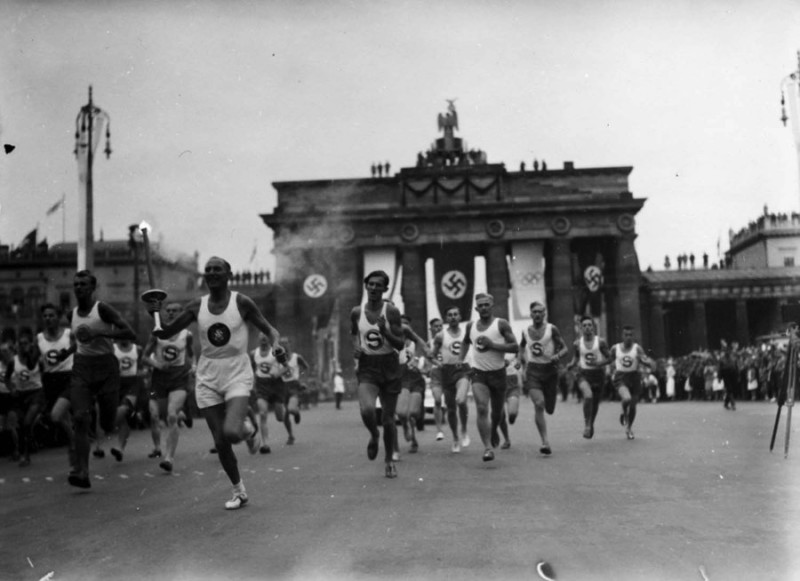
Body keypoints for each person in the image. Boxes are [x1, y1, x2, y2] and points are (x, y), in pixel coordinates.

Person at [146, 256, 280, 509]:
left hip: (237, 372)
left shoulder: (242, 302)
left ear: (228, 273)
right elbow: (165, 332)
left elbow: (270, 329)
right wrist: (153, 312)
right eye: (207, 270)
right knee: (220, 441)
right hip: (207, 376)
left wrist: (277, 345)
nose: (211, 273)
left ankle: (248, 430)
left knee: (231, 432)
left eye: (217, 269)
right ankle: (239, 491)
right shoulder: (197, 305)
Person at [59, 270, 137, 488]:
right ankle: (83, 473)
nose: (78, 288)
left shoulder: (102, 309)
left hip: (106, 368)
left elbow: (130, 333)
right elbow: (82, 341)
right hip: (82, 367)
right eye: (75, 284)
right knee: (81, 418)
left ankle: (126, 410)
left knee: (107, 423)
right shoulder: (71, 314)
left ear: (93, 288)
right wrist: (67, 353)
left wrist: (101, 334)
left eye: (83, 284)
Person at [350, 270, 406, 478]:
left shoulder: (391, 311)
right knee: (367, 411)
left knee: (389, 419)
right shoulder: (356, 312)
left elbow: (400, 344)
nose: (373, 288)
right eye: (370, 284)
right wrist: (357, 349)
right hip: (368, 366)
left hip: (390, 365)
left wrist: (385, 332)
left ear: (385, 289)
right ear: (366, 286)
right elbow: (354, 335)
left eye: (378, 285)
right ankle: (374, 434)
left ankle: (389, 459)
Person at [458, 293, 518, 462]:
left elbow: (514, 347)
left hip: (498, 374)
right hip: (479, 374)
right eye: (480, 305)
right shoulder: (471, 326)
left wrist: (493, 345)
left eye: (486, 305)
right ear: (476, 308)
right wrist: (459, 360)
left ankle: (493, 432)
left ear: (492, 306)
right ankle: (487, 448)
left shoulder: (501, 324)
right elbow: (464, 342)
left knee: (497, 413)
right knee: (482, 408)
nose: (483, 308)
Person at [142, 302, 194, 471]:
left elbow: (191, 356)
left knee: (171, 415)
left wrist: (192, 370)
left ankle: (168, 458)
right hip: (159, 379)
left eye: (175, 311)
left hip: (179, 378)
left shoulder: (187, 335)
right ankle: (182, 416)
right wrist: (157, 365)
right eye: (168, 311)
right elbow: (144, 357)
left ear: (181, 314)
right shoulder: (157, 333)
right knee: (157, 415)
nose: (171, 314)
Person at [518, 302, 568, 454]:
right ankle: (545, 442)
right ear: (531, 314)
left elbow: (565, 348)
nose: (537, 314)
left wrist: (557, 355)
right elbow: (521, 347)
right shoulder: (525, 331)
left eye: (540, 312)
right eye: (535, 312)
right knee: (539, 404)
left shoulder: (551, 329)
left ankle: (545, 436)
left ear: (544, 313)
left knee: (550, 409)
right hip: (533, 371)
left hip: (550, 371)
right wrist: (523, 360)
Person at [37, 303, 76, 472]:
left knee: (56, 416)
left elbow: (78, 349)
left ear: (58, 317)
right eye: (45, 316)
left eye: (51, 315)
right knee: (62, 417)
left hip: (68, 377)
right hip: (50, 380)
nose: (48, 319)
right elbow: (34, 361)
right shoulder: (39, 338)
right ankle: (75, 452)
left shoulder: (68, 334)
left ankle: (74, 443)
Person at [430, 306, 471, 453]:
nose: (453, 317)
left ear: (460, 317)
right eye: (450, 315)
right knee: (451, 409)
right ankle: (455, 438)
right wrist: (438, 363)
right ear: (446, 319)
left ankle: (464, 430)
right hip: (446, 371)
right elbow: (432, 355)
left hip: (462, 370)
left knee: (461, 400)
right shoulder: (440, 336)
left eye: (455, 314)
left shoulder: (467, 333)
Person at [567, 315, 611, 440]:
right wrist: (571, 364)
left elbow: (609, 358)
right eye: (584, 325)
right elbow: (576, 358)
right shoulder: (577, 343)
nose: (587, 327)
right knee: (588, 395)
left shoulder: (600, 342)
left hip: (598, 375)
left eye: (589, 325)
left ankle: (591, 424)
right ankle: (587, 424)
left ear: (593, 327)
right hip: (583, 374)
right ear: (581, 328)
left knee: (595, 404)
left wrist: (599, 363)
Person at [5, 328, 45, 467]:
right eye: (20, 344)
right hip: (21, 395)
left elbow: (45, 374)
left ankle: (25, 453)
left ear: (30, 344)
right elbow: (7, 379)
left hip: (36, 393)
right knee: (22, 426)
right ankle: (26, 453)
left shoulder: (37, 360)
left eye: (26, 343)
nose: (23, 346)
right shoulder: (13, 361)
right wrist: (12, 389)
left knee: (27, 422)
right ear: (17, 345)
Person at [609, 326, 654, 440]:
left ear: (633, 336)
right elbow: (608, 360)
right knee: (627, 399)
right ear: (622, 336)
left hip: (634, 377)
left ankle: (629, 428)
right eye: (626, 335)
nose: (628, 337)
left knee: (633, 406)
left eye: (630, 335)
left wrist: (646, 361)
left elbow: (648, 362)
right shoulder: (615, 348)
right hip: (621, 377)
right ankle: (623, 412)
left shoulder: (637, 348)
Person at [395, 315, 429, 454]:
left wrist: (421, 366)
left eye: (406, 324)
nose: (403, 327)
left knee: (413, 412)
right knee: (402, 413)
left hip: (416, 380)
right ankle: (405, 426)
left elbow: (427, 363)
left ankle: (414, 440)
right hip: (401, 380)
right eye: (401, 324)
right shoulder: (393, 343)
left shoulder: (416, 343)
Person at [250, 332, 285, 453]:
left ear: (269, 340)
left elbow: (286, 367)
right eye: (262, 339)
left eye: (266, 339)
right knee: (263, 413)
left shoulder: (276, 351)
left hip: (275, 385)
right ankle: (265, 444)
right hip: (261, 386)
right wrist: (252, 382)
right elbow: (250, 369)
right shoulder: (254, 354)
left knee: (280, 417)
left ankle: (283, 411)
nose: (264, 341)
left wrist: (277, 373)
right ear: (258, 340)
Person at [108, 337, 141, 463]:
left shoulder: (137, 349)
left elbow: (141, 365)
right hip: (116, 383)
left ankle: (119, 445)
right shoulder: (113, 348)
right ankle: (120, 448)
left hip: (132, 383)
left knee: (125, 408)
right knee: (123, 419)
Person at [275, 337, 309, 445]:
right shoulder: (277, 359)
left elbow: (305, 368)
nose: (284, 345)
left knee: (291, 409)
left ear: (290, 344)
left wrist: (302, 379)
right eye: (281, 343)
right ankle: (290, 435)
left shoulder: (297, 357)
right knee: (285, 415)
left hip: (294, 385)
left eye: (286, 343)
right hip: (283, 387)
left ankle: (297, 412)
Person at [425, 317, 445, 440]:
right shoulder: (429, 343)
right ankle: (439, 430)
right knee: (437, 400)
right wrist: (428, 368)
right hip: (436, 373)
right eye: (436, 326)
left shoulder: (447, 339)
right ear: (430, 329)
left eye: (440, 326)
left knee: (453, 403)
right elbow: (428, 359)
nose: (438, 328)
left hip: (448, 373)